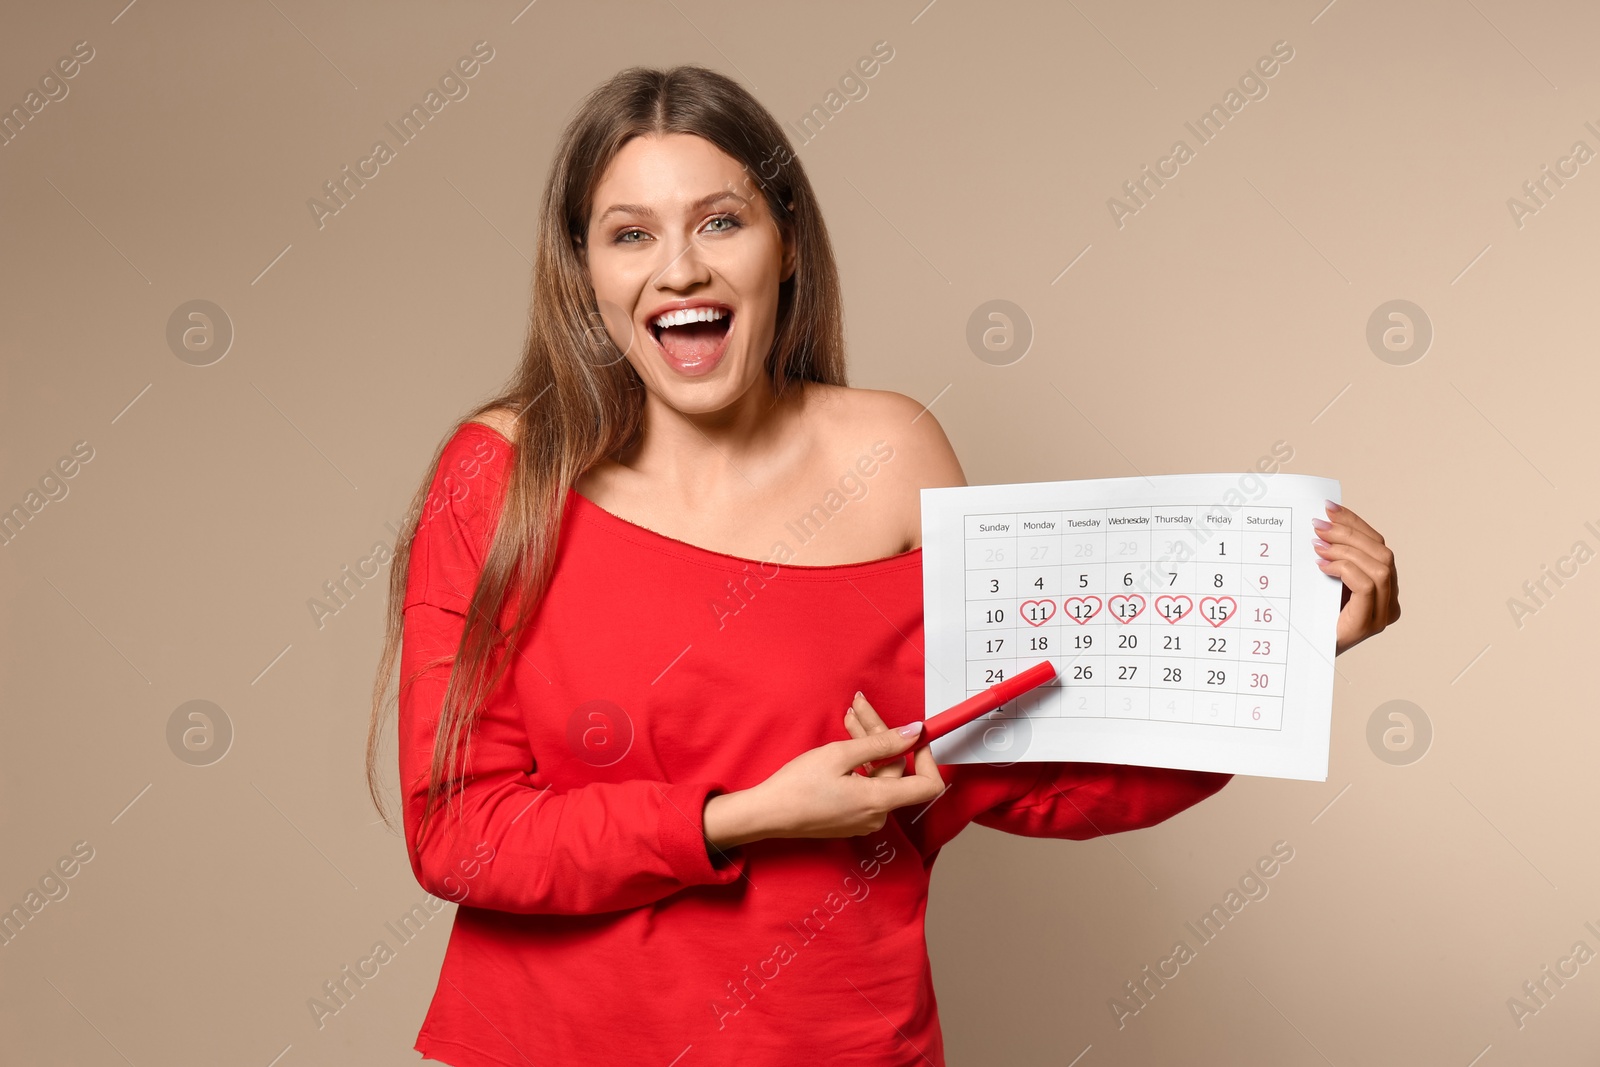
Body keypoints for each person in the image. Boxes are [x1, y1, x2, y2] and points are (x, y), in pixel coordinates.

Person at [364, 64, 1400, 1067]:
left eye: (720, 221)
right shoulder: (500, 476)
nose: (678, 268)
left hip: (839, 1039)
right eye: (630, 234)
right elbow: (462, 831)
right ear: (585, 272)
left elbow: (1027, 761)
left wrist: (1288, 647)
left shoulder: (892, 453)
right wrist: (746, 816)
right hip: (554, 1047)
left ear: (788, 247)